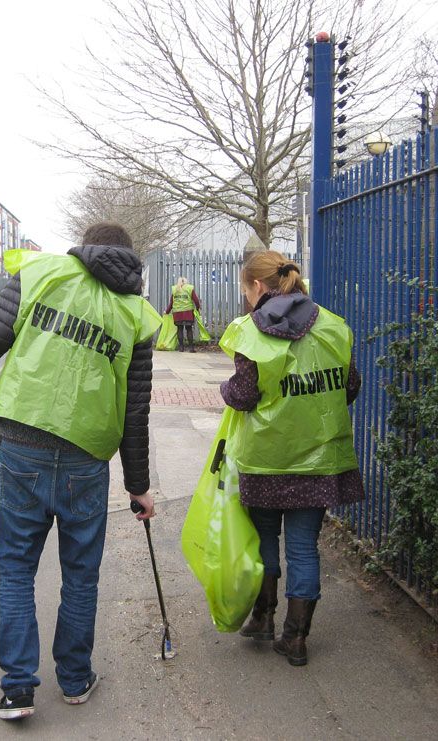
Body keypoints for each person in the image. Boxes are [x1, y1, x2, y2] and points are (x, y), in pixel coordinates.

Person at [0, 222, 160, 721]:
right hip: (86, 460)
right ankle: (75, 679)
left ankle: (17, 689)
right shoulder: (139, 316)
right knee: (81, 576)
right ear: (129, 261)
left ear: (85, 246)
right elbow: (135, 411)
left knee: (15, 571)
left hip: (22, 448)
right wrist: (138, 486)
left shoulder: (40, 273)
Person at [218, 251, 364, 667]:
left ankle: (263, 619)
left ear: (258, 287)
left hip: (266, 459)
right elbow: (348, 387)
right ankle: (296, 639)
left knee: (265, 540)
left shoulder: (250, 332)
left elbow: (244, 395)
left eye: (246, 289)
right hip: (318, 460)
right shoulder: (334, 326)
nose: (246, 298)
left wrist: (226, 392)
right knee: (304, 548)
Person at [165, 276, 201, 352]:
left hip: (177, 313)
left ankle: (181, 348)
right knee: (189, 329)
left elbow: (171, 303)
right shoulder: (189, 288)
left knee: (179, 329)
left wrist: (167, 311)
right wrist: (197, 308)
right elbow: (196, 300)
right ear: (185, 282)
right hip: (188, 312)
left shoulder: (175, 289)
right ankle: (191, 348)